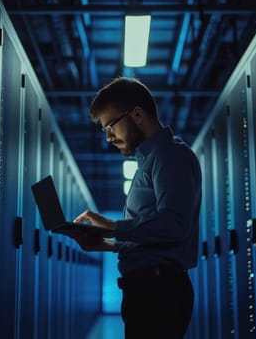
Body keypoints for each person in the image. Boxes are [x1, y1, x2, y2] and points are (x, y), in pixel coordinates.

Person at [66, 77, 202, 338]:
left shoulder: (170, 155)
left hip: (159, 292)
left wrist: (113, 227)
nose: (108, 138)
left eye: (111, 126)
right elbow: (154, 237)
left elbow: (175, 225)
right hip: (149, 288)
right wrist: (105, 244)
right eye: (104, 130)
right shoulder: (151, 161)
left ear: (137, 114)